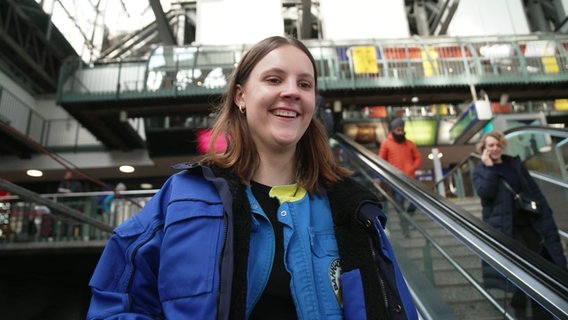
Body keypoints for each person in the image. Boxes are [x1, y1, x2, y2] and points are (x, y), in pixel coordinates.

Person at [87, 36, 418, 319]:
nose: (292, 92)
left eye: (304, 84)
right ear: (240, 96)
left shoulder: (352, 209)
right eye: (274, 80)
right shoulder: (183, 196)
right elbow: (115, 301)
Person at [472, 130, 566, 319]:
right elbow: (485, 195)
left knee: (542, 266)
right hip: (507, 229)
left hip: (530, 221)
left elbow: (532, 189)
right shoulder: (481, 170)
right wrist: (489, 168)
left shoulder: (513, 163)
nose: (495, 148)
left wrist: (545, 211)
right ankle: (522, 311)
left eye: (498, 144)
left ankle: (543, 311)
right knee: (521, 271)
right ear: (484, 148)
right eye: (490, 145)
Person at [378, 117, 422, 238]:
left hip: (410, 179)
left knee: (416, 201)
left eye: (402, 130)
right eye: (398, 130)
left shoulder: (409, 144)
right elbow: (381, 160)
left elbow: (418, 157)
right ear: (393, 130)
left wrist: (412, 168)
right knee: (400, 206)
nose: (401, 132)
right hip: (396, 181)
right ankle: (405, 229)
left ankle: (407, 218)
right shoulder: (386, 143)